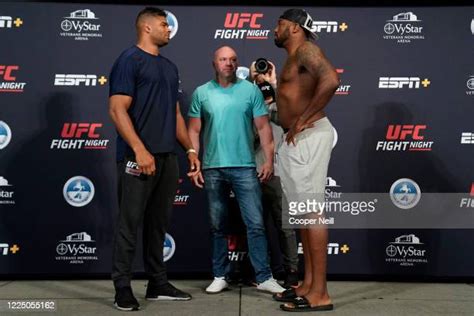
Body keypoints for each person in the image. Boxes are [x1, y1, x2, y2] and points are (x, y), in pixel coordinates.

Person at [108, 7, 200, 311]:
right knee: (129, 224)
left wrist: (189, 149)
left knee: (158, 224)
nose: (169, 29)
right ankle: (122, 287)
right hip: (138, 158)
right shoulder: (128, 60)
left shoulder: (170, 67)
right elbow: (117, 109)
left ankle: (157, 283)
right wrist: (139, 150)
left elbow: (175, 114)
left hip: (166, 158)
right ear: (146, 28)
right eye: (164, 24)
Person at [187, 46, 286, 295]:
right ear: (214, 63)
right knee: (217, 226)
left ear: (237, 63)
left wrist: (269, 161)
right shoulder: (202, 93)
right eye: (223, 59)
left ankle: (264, 277)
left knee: (255, 224)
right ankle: (219, 275)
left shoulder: (250, 90)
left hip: (245, 166)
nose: (228, 63)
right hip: (212, 168)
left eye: (232, 60)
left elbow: (264, 129)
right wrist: (193, 158)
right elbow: (194, 130)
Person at [271, 9, 340, 312]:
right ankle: (309, 284)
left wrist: (304, 119)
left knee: (312, 212)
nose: (275, 29)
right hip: (296, 139)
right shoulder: (294, 56)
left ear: (295, 27)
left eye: (280, 24)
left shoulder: (307, 49)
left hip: (309, 136)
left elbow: (331, 79)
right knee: (302, 213)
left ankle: (321, 294)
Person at [250, 60, 299, 288]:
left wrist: (274, 84)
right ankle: (260, 272)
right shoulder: (248, 99)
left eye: (265, 71)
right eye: (258, 72)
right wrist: (253, 84)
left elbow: (289, 120)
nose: (262, 76)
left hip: (280, 171)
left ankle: (291, 271)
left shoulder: (282, 100)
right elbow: (246, 135)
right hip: (252, 169)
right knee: (253, 225)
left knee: (285, 226)